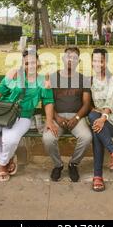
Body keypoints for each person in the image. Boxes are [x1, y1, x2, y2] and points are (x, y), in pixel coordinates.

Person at [0, 49, 58, 181]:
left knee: (10, 140)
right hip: (1, 113)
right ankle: (8, 157)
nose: (30, 66)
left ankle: (2, 165)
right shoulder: (14, 75)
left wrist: (49, 121)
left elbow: (48, 101)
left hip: (22, 116)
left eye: (33, 62)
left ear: (38, 63)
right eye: (26, 63)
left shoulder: (43, 80)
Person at [43, 47, 92, 182]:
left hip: (77, 116)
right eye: (68, 57)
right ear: (63, 59)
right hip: (56, 116)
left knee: (86, 137)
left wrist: (76, 118)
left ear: (79, 61)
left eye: (74, 57)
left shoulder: (83, 79)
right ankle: (58, 165)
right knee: (48, 139)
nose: (70, 60)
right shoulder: (52, 77)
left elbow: (87, 103)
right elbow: (46, 101)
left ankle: (73, 164)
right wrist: (56, 117)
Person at [88, 48, 113, 192]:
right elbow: (89, 101)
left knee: (96, 129)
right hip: (98, 117)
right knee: (94, 121)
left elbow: (110, 101)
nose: (98, 64)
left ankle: (98, 176)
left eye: (101, 61)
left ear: (106, 62)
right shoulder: (91, 80)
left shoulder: (112, 79)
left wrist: (103, 118)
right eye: (95, 60)